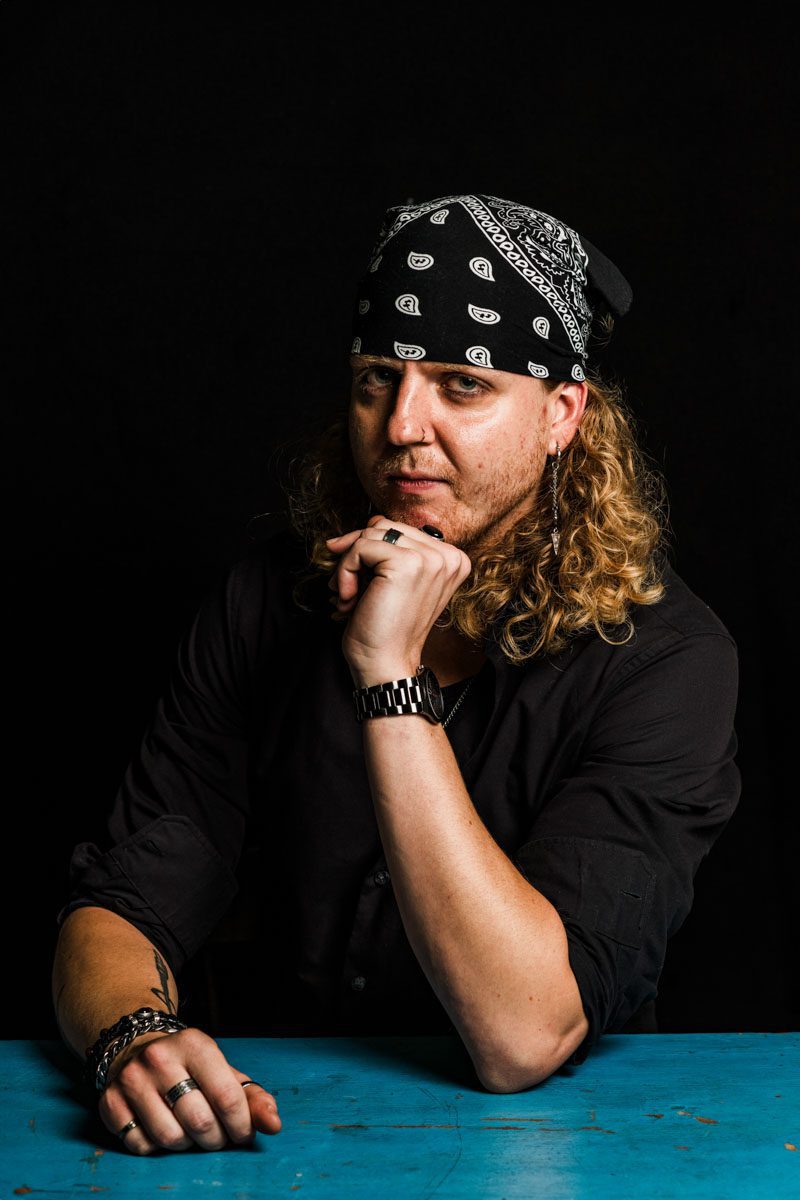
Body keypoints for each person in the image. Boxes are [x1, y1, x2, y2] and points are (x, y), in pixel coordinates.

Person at [52, 193, 740, 1155]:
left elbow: (522, 1033)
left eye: (462, 384)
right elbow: (123, 904)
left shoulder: (664, 661)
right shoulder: (266, 602)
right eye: (379, 377)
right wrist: (132, 1038)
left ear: (562, 415)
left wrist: (388, 674)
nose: (402, 425)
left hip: (562, 1151)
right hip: (272, 1137)